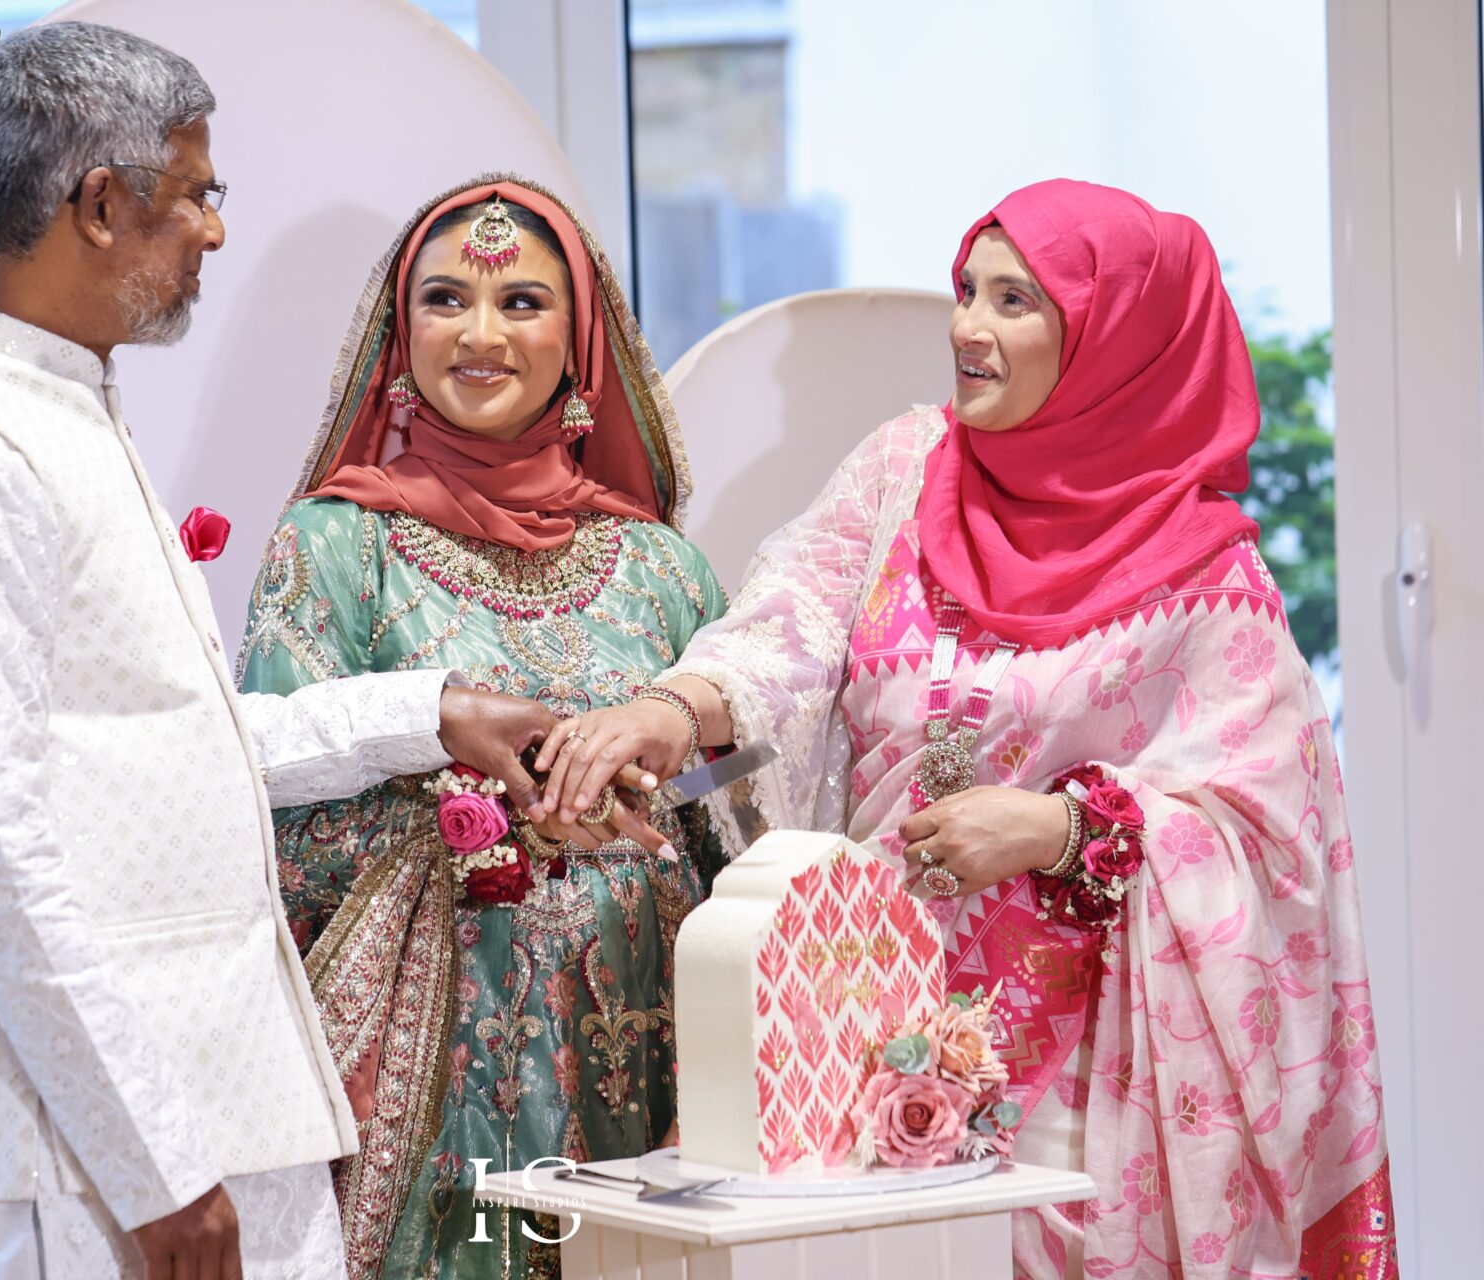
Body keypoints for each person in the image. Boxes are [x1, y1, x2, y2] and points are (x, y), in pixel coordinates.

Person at [533, 179, 1397, 1279]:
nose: (968, 328)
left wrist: (1060, 826)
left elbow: (1272, 842)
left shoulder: (1211, 585)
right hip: (857, 1017)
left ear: (1114, 340)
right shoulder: (906, 466)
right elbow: (787, 622)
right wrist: (668, 709)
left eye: (1015, 302)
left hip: (1092, 1088)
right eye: (965, 291)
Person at [0, 26, 559, 1280]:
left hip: (189, 1135)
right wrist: (155, 1164)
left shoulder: (55, 413)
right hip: (84, 1172)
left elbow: (171, 747)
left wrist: (431, 713)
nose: (216, 230)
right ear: (101, 204)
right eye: (199, 193)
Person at [237, 177, 726, 1279]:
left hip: (656, 1043)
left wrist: (651, 796)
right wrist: (487, 821)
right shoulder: (335, 547)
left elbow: (735, 804)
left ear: (581, 340)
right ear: (400, 334)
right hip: (446, 1077)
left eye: (523, 304)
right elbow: (270, 816)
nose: (481, 333)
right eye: (447, 299)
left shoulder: (663, 568)